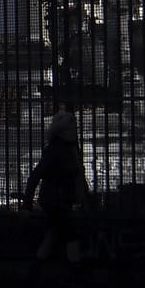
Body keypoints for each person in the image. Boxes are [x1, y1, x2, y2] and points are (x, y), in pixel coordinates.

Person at [22, 109, 89, 270]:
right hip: (55, 202)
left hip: (57, 201)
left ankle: (35, 272)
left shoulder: (67, 149)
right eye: (71, 128)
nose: (75, 131)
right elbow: (35, 176)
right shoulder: (57, 151)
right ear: (63, 131)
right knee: (70, 234)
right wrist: (27, 205)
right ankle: (76, 271)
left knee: (53, 234)